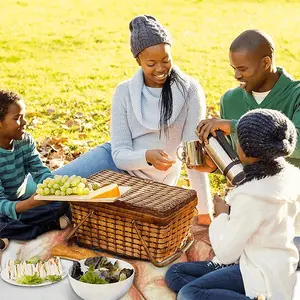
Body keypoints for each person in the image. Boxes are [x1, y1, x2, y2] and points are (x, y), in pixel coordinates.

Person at [45, 15, 212, 224]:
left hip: (150, 186)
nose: (160, 68)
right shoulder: (124, 91)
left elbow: (192, 156)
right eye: (151, 63)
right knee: (48, 189)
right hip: (113, 163)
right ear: (138, 61)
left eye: (166, 60)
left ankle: (58, 218)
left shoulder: (189, 91)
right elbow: (119, 154)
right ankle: (12, 215)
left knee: (86, 214)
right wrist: (146, 156)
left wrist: (205, 212)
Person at [165, 108, 300, 300]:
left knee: (189, 293)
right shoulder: (291, 177)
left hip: (259, 274)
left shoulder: (251, 196)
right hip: (272, 265)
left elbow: (226, 253)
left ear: (244, 149)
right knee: (175, 273)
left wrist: (222, 216)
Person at [195, 29, 300, 171]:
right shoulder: (230, 100)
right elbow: (239, 162)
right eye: (234, 69)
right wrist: (215, 166)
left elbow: (297, 144)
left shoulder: (296, 95)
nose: (236, 75)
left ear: (266, 63)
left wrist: (235, 127)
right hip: (249, 189)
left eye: (242, 69)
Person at [0, 90, 70, 241]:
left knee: (64, 203)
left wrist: (53, 189)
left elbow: (40, 172)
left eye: (24, 116)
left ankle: (14, 232)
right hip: (5, 207)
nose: (24, 122)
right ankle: (45, 226)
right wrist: (29, 204)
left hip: (21, 201)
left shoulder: (25, 141)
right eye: (17, 118)